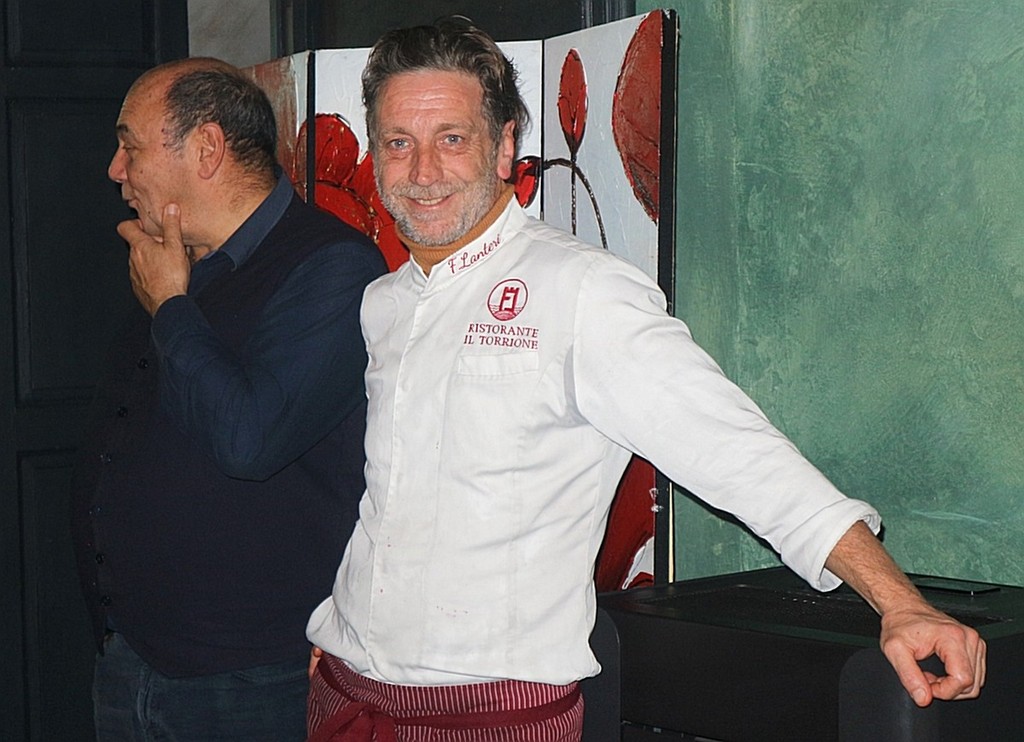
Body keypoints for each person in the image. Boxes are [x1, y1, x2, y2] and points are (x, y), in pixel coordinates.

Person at [305, 18, 986, 741]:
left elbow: (737, 452)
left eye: (451, 138)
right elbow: (393, 501)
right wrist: (345, 631)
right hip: (343, 696)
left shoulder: (582, 290)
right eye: (397, 143)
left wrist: (900, 602)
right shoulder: (384, 302)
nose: (421, 172)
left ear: (504, 146)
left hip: (490, 713)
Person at [71, 57, 386, 740]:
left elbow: (249, 439)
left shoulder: (332, 265)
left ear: (207, 148)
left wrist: (171, 306)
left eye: (130, 146)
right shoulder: (174, 258)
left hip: (252, 678)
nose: (116, 170)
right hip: (130, 658)